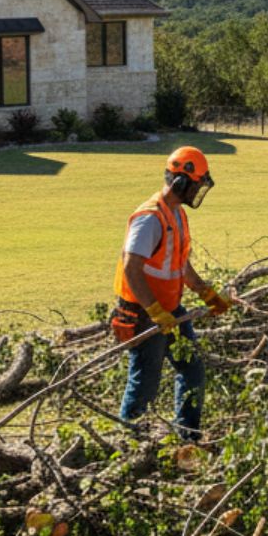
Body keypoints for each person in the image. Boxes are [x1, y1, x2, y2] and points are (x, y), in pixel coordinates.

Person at [111, 146, 232, 440]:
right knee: (145, 383)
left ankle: (187, 436)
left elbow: (180, 264)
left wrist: (207, 293)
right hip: (143, 313)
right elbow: (132, 268)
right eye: (197, 185)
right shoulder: (150, 217)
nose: (198, 191)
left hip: (171, 309)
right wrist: (154, 312)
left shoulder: (176, 215)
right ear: (181, 181)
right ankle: (129, 442)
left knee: (193, 371)